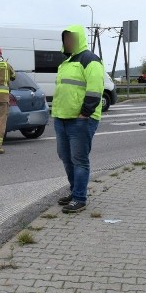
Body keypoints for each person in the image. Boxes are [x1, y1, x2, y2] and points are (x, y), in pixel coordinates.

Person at [52, 25, 104, 214]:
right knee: (65, 158)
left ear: (79, 39)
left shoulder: (90, 61)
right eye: (65, 39)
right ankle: (75, 192)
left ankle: (80, 198)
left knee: (79, 160)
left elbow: (95, 90)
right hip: (62, 118)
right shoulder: (66, 63)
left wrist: (85, 113)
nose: (67, 42)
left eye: (71, 39)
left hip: (80, 120)